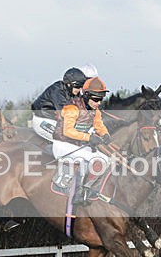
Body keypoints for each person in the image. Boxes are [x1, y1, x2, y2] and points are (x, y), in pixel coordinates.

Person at [52, 76, 112, 205]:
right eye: (96, 99)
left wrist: (105, 134)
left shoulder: (95, 110)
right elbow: (67, 131)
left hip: (76, 146)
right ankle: (77, 194)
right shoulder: (72, 108)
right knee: (90, 160)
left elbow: (99, 125)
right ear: (86, 95)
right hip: (62, 145)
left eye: (101, 99)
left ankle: (86, 188)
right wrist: (89, 137)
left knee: (105, 160)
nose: (99, 103)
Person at [31, 67, 87, 141]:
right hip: (42, 120)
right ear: (69, 84)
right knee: (67, 138)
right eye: (77, 86)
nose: (79, 89)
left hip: (55, 121)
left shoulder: (74, 92)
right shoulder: (57, 91)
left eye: (81, 87)